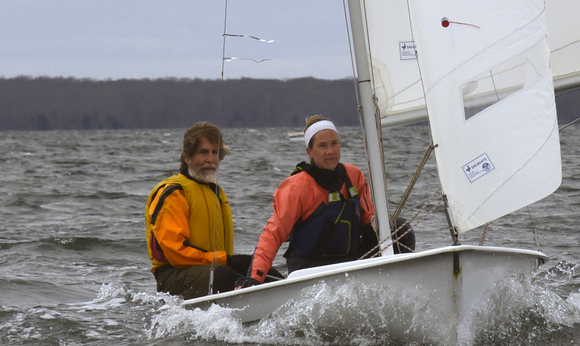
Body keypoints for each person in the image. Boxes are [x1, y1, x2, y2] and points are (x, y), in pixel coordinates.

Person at [247, 116, 413, 284]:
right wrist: (255, 277)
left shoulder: (354, 176)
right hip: (309, 268)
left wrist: (383, 231)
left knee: (400, 229)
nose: (330, 151)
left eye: (334, 143)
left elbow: (368, 220)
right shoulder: (296, 187)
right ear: (309, 152)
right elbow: (272, 235)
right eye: (322, 146)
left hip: (350, 262)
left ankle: (397, 283)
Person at [145, 121, 260, 298]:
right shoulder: (173, 193)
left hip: (212, 270)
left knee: (259, 270)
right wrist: (226, 261)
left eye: (215, 153)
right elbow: (177, 253)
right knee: (223, 275)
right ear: (187, 156)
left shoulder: (216, 193)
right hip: (173, 277)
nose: (211, 159)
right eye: (204, 152)